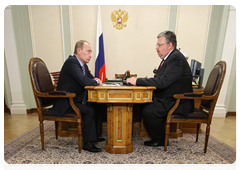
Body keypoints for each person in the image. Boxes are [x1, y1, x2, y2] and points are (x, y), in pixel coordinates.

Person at [126, 30, 194, 147]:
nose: (156, 48)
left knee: (149, 110)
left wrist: (137, 81)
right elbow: (160, 79)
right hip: (170, 98)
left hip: (178, 101)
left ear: (170, 45)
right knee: (144, 104)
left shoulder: (176, 58)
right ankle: (157, 137)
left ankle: (160, 139)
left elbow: (162, 82)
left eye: (159, 45)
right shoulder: (171, 58)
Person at [50, 40, 104, 153]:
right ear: (79, 51)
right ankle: (87, 143)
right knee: (89, 111)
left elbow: (90, 78)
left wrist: (95, 80)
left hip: (76, 99)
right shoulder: (72, 63)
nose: (90, 55)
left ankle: (94, 136)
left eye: (91, 52)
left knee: (98, 106)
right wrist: (95, 81)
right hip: (66, 101)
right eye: (88, 51)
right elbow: (85, 81)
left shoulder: (82, 65)